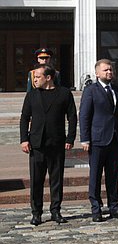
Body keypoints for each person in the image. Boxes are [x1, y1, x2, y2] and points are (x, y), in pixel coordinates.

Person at [19, 64, 76, 225]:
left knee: (56, 179)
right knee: (36, 180)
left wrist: (70, 139)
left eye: (38, 77)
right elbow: (24, 118)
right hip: (36, 144)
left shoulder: (64, 93)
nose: (34, 80)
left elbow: (72, 117)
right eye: (34, 77)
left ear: (48, 77)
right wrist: (24, 139)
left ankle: (55, 210)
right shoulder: (32, 95)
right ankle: (36, 212)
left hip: (57, 143)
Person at [79, 59, 118, 222]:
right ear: (97, 73)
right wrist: (85, 138)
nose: (109, 73)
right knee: (95, 175)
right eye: (106, 70)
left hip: (114, 138)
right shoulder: (91, 90)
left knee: (113, 175)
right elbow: (84, 115)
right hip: (97, 139)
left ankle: (114, 206)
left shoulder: (117, 90)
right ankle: (96, 208)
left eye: (111, 70)